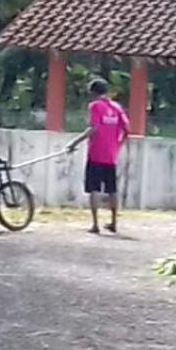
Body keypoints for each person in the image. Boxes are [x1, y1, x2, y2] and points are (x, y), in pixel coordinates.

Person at [68, 79, 130, 234]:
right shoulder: (116, 107)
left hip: (96, 153)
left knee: (94, 189)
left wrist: (74, 143)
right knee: (112, 189)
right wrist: (118, 145)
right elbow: (127, 129)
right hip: (111, 155)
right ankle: (114, 222)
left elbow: (94, 128)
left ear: (93, 92)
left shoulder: (95, 106)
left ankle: (95, 224)